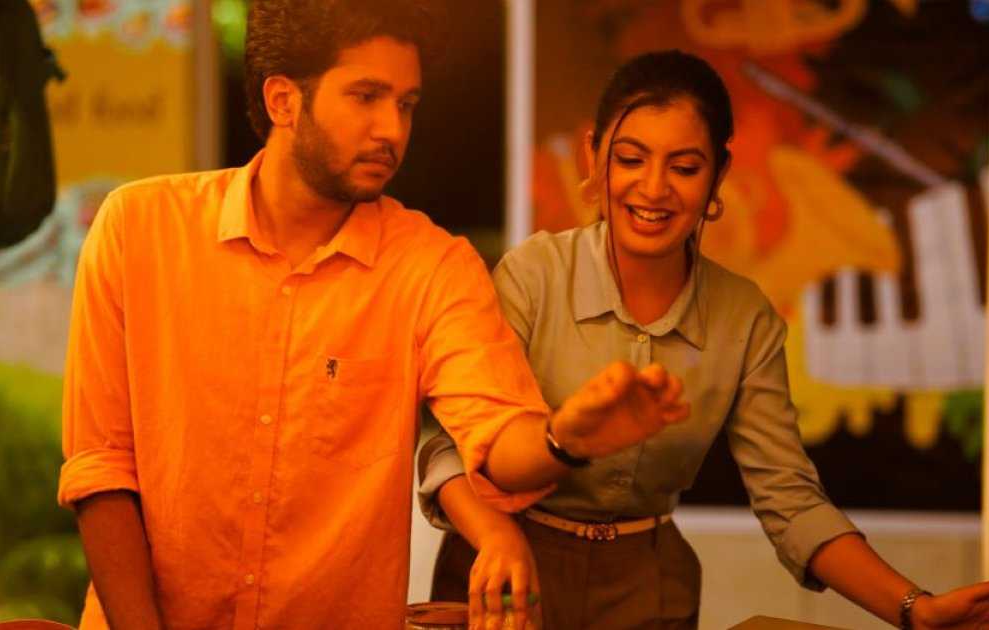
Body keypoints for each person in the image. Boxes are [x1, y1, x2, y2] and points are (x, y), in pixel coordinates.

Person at [56, 2, 692, 629]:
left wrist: (564, 440)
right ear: (283, 101)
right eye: (366, 97)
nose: (392, 129)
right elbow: (101, 467)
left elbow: (495, 435)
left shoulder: (431, 266)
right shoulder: (138, 229)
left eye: (406, 104)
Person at [418, 50, 989, 630]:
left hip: (649, 590)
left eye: (684, 167)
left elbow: (791, 501)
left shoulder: (745, 318)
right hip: (502, 578)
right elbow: (450, 445)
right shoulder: (531, 276)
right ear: (594, 155)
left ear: (719, 173)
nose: (654, 188)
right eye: (631, 159)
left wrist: (915, 609)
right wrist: (509, 519)